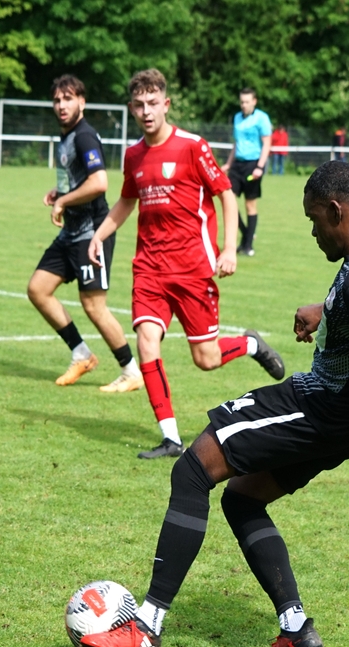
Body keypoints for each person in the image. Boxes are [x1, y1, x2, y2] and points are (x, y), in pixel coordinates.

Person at [77, 161, 349, 647]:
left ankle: (146, 627)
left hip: (325, 406)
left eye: (314, 219)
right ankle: (295, 630)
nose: (313, 232)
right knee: (243, 500)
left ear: (337, 211)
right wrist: (328, 312)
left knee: (193, 469)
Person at [87, 69, 286, 459]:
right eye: (139, 105)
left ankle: (250, 344)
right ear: (131, 108)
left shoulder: (193, 146)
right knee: (146, 339)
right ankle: (171, 438)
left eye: (153, 103)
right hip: (149, 267)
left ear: (166, 104)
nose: (146, 111)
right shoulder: (133, 155)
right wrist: (99, 235)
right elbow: (127, 200)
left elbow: (225, 194)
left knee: (205, 359)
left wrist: (229, 250)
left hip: (192, 267)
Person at [27, 75, 140, 392]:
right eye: (57, 100)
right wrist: (61, 191)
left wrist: (63, 201)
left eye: (68, 99)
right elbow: (81, 180)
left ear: (82, 102)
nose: (61, 105)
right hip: (71, 232)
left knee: (93, 306)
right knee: (38, 289)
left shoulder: (85, 136)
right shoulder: (67, 136)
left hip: (92, 233)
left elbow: (99, 183)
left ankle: (131, 371)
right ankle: (81, 354)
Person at [221, 88, 272, 257]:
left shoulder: (262, 118)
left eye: (247, 102)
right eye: (242, 102)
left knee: (250, 204)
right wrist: (228, 164)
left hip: (253, 164)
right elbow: (236, 143)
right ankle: (246, 234)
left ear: (254, 102)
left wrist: (260, 167)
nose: (244, 105)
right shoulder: (237, 117)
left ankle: (247, 245)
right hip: (237, 165)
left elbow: (266, 144)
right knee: (228, 200)